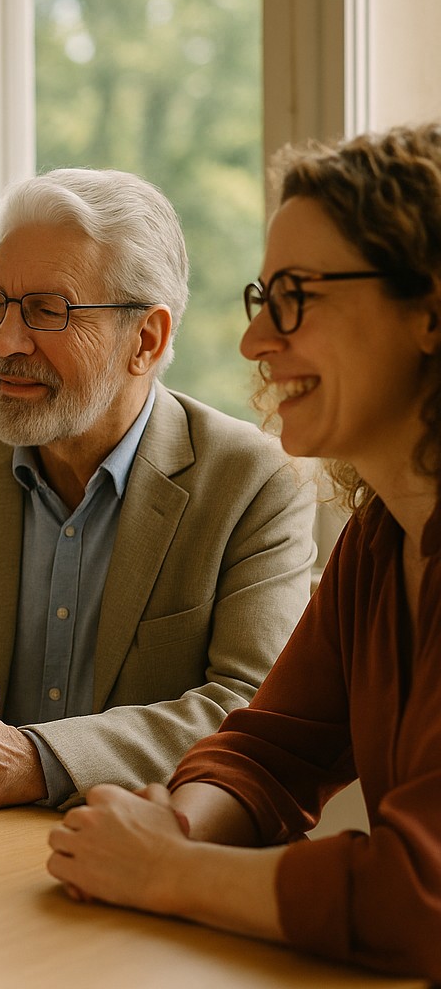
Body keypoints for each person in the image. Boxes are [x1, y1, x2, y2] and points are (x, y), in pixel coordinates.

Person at [47, 124, 441, 980]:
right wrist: (177, 826)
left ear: (431, 310)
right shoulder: (380, 542)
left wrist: (168, 872)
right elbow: (273, 748)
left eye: (296, 294)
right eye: (262, 295)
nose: (255, 340)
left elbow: (423, 901)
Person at [0, 168, 318, 812]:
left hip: (147, 849)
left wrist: (34, 761)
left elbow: (248, 706)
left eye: (45, 311)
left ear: (147, 339)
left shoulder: (254, 483)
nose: (2, 342)